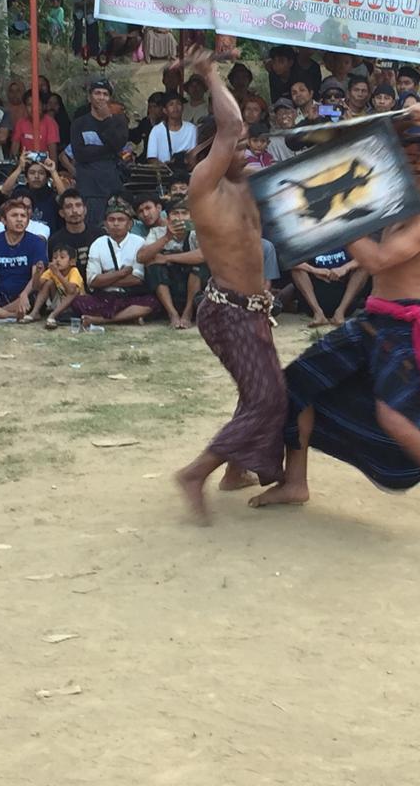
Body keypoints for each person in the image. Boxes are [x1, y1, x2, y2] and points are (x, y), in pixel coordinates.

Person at [260, 110, 420, 542]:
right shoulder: (393, 193)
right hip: (372, 318)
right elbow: (367, 145)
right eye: (406, 161)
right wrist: (406, 118)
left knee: (396, 418)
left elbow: (377, 260)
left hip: (402, 328)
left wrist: (333, 214)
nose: (413, 170)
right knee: (297, 384)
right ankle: (295, 482)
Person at [170, 49, 288, 521]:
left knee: (256, 387)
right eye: (233, 146)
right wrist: (211, 73)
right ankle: (196, 471)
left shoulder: (249, 182)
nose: (244, 147)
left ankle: (237, 469)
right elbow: (232, 127)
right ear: (208, 153)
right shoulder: (205, 185)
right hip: (226, 308)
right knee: (267, 396)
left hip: (253, 306)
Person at [70, 197, 158, 325]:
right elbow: (92, 281)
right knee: (77, 302)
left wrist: (106, 277)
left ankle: (101, 320)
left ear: (129, 224)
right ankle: (129, 316)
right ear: (105, 224)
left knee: (152, 302)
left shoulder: (139, 242)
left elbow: (137, 279)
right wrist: (121, 273)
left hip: (130, 295)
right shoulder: (98, 243)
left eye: (121, 220)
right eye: (111, 220)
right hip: (105, 297)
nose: (116, 224)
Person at [69, 78, 128, 228]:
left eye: (105, 94)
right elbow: (80, 154)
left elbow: (117, 144)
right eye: (97, 93)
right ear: (89, 97)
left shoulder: (118, 122)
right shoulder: (79, 123)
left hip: (112, 185)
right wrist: (108, 151)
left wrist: (108, 119)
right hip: (89, 188)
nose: (101, 97)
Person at [137, 200, 199, 329]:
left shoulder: (196, 231)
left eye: (184, 213)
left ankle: (188, 312)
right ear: (168, 216)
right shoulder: (157, 232)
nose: (180, 218)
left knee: (199, 267)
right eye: (175, 213)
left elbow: (203, 255)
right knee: (153, 266)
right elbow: (141, 257)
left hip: (191, 276)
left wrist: (167, 258)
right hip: (169, 277)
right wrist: (167, 237)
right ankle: (172, 314)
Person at [30, 240, 84, 327]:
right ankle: (34, 313)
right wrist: (37, 273)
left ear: (72, 262)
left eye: (62, 257)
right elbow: (36, 287)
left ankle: (53, 315)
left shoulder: (74, 271)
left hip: (75, 306)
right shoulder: (51, 271)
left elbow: (71, 290)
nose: (57, 260)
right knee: (49, 283)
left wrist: (57, 274)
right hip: (59, 303)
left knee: (75, 291)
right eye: (55, 258)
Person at [51, 188, 103, 277]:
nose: (74, 210)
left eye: (78, 205)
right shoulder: (54, 241)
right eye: (68, 207)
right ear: (61, 213)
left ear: (85, 210)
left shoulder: (100, 236)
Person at [146, 93, 196, 165]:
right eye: (171, 104)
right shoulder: (156, 131)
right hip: (164, 174)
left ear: (183, 108)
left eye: (178, 104)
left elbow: (193, 159)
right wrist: (167, 168)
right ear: (165, 110)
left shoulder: (192, 129)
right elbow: (152, 159)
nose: (175, 107)